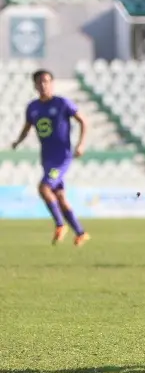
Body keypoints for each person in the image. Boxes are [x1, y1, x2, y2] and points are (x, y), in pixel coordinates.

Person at [11, 69, 90, 247]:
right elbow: (27, 127)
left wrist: (81, 144)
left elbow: (83, 121)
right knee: (60, 196)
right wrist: (18, 141)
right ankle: (81, 233)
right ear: (35, 85)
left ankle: (60, 225)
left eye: (47, 81)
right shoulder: (33, 107)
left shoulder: (62, 103)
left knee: (44, 188)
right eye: (40, 82)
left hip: (61, 157)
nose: (44, 85)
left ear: (52, 83)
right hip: (46, 158)